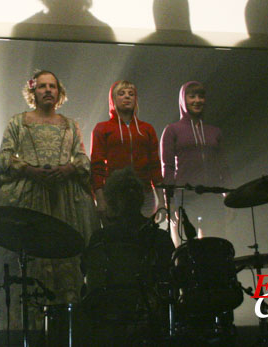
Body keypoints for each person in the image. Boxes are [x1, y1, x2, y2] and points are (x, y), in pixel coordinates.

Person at [0, 70, 99, 329]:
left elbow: (83, 159)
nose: (48, 90)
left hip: (64, 200)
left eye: (52, 86)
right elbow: (4, 157)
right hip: (28, 197)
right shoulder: (18, 122)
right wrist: (29, 170)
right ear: (33, 92)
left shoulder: (70, 125)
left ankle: (64, 326)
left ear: (59, 92)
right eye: (42, 86)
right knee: (30, 260)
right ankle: (27, 327)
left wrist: (69, 169)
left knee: (66, 261)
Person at [82, 167, 174, 346]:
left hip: (132, 316)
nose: (131, 193)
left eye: (134, 189)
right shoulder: (102, 238)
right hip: (129, 314)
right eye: (126, 190)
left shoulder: (156, 236)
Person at [160, 81, 230, 246]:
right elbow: (167, 167)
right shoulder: (172, 130)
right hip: (185, 199)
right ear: (183, 100)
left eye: (201, 96)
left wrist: (228, 197)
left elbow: (224, 166)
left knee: (215, 248)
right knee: (185, 251)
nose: (197, 100)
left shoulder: (214, 131)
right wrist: (169, 203)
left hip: (213, 198)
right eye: (192, 96)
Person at [90, 81, 164, 223]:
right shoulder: (102, 129)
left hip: (144, 194)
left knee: (144, 238)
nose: (127, 97)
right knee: (117, 239)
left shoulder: (146, 129)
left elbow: (155, 165)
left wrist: (161, 201)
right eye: (121, 93)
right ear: (113, 99)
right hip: (114, 195)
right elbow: (96, 166)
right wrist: (100, 199)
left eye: (131, 94)